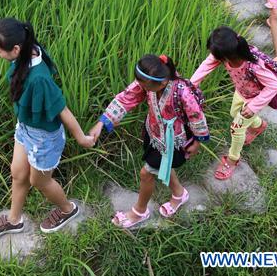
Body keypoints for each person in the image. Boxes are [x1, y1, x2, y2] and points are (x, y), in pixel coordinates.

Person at [0, 18, 94, 238]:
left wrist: (81, 137)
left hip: (44, 138)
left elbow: (62, 110)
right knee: (18, 173)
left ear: (15, 49)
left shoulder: (39, 79)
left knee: (39, 181)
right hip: (26, 128)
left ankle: (67, 209)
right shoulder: (26, 53)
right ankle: (14, 220)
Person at [89, 54, 209, 227]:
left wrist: (197, 141)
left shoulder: (182, 92)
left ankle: (139, 212)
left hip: (173, 141)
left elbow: (196, 116)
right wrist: (102, 122)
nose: (140, 87)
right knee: (160, 165)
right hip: (153, 134)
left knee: (146, 174)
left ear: (162, 83)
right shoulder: (149, 84)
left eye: (143, 85)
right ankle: (179, 194)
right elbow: (127, 97)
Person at [191, 27, 277, 180]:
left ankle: (232, 159)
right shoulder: (228, 54)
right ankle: (258, 125)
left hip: (254, 99)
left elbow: (274, 85)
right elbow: (206, 65)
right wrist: (191, 85)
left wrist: (253, 107)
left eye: (216, 55)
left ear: (226, 55)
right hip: (241, 93)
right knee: (233, 114)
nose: (214, 58)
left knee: (236, 128)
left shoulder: (254, 65)